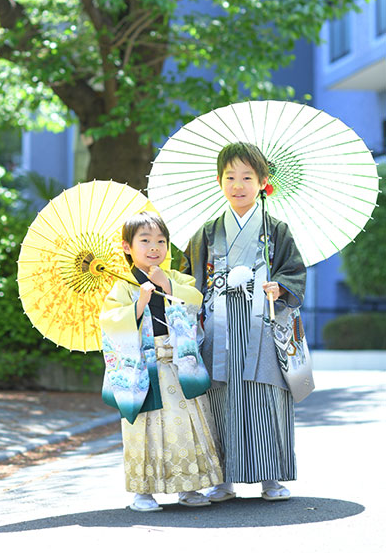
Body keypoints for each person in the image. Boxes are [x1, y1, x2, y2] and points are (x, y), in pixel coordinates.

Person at [180, 142, 307, 502]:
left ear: (263, 181)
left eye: (247, 177)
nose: (238, 184)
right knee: (218, 398)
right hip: (218, 326)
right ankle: (223, 480)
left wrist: (279, 286)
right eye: (230, 176)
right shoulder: (206, 232)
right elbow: (189, 278)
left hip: (262, 324)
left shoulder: (276, 230)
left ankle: (271, 478)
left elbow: (295, 272)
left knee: (266, 395)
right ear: (219, 181)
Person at [99, 211, 223, 512]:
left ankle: (190, 486)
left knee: (187, 425)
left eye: (160, 241)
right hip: (144, 368)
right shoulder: (122, 286)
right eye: (145, 240)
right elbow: (111, 323)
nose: (154, 247)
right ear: (127, 247)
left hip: (178, 364)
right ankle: (143, 492)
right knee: (146, 429)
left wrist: (168, 286)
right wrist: (139, 302)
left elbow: (194, 300)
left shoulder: (176, 278)